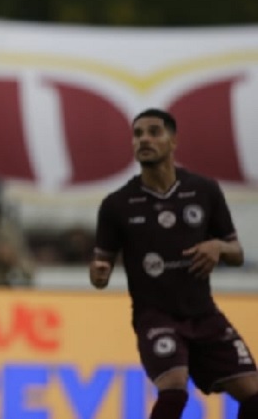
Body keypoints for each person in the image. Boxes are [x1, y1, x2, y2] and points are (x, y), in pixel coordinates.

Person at [91, 108, 258, 419]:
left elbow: (236, 253)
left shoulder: (205, 190)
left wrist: (218, 247)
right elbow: (99, 270)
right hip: (155, 317)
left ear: (173, 140)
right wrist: (99, 272)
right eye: (138, 134)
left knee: (254, 394)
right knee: (174, 388)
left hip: (204, 314)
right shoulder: (117, 204)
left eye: (154, 132)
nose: (144, 139)